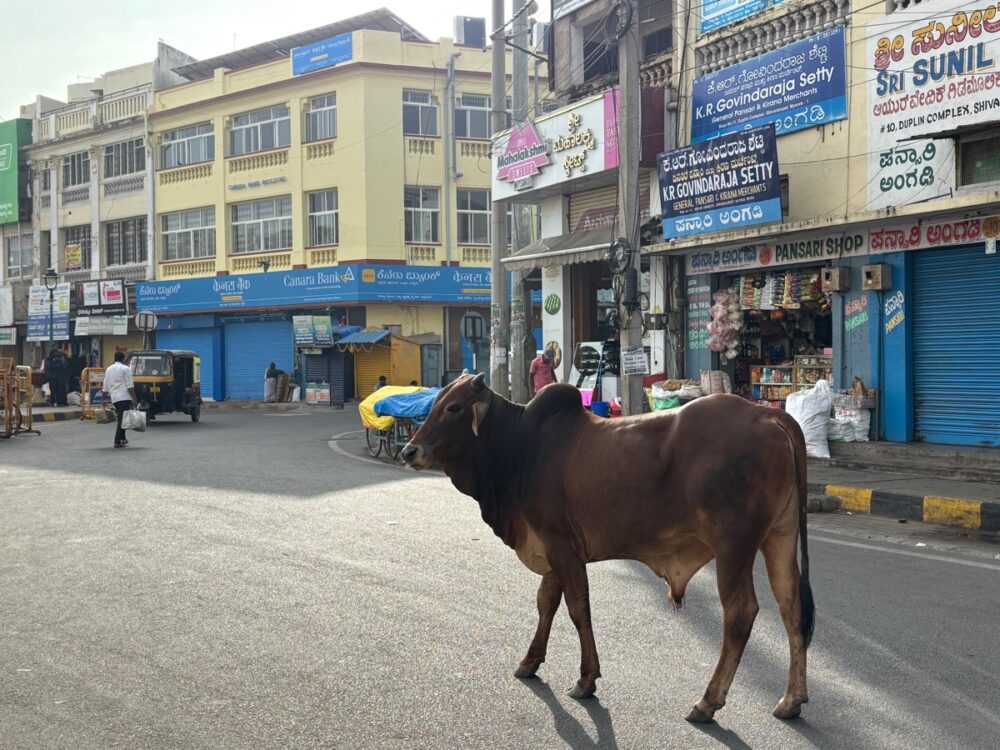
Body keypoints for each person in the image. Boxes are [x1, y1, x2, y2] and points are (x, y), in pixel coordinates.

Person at [102, 351, 138, 448]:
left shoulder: (109, 369)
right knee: (122, 420)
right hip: (124, 397)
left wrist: (104, 400)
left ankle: (122, 439)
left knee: (123, 418)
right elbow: (130, 386)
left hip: (114, 398)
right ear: (123, 359)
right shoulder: (126, 368)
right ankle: (117, 441)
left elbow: (105, 386)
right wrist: (135, 399)